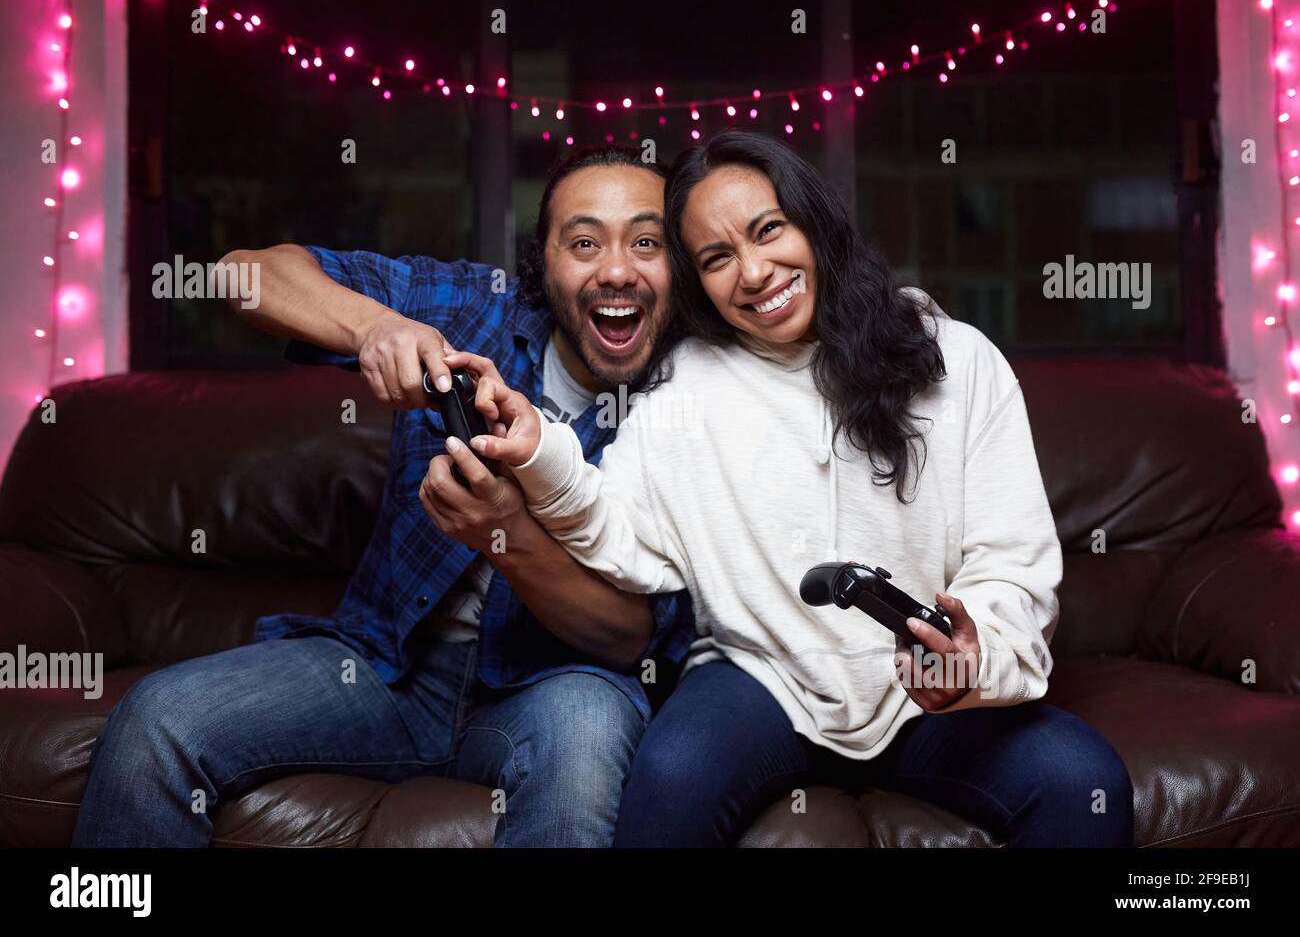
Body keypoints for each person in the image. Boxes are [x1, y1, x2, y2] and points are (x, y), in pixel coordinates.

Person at [461, 131, 1136, 847]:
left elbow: (1011, 562)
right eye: (717, 259)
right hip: (761, 681)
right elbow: (619, 533)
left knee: (1082, 781)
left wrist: (972, 659)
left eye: (768, 230)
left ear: (815, 222)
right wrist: (537, 449)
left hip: (926, 695)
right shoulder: (684, 389)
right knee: (670, 777)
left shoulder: (959, 360)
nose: (753, 272)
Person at [72, 145, 694, 848]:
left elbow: (630, 637)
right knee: (156, 718)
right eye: (583, 243)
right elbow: (240, 273)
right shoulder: (472, 310)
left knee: (586, 733)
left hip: (554, 688)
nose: (616, 270)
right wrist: (377, 327)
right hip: (383, 669)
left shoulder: (705, 403)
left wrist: (508, 534)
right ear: (542, 265)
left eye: (648, 242)